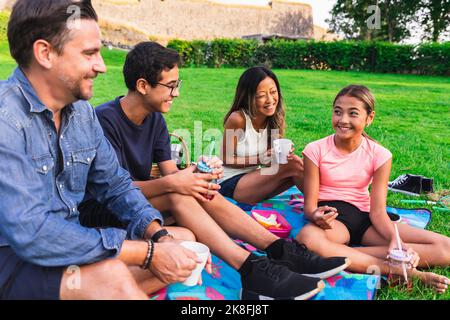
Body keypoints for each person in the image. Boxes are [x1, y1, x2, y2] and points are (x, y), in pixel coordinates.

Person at [78, 41, 351, 300]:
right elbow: (113, 191)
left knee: (197, 191)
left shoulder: (156, 122)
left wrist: (196, 174)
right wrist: (178, 184)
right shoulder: (104, 121)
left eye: (178, 84)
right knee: (179, 195)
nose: (177, 93)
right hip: (102, 211)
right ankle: (252, 269)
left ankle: (279, 250)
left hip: (141, 206)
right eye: (171, 86)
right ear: (143, 85)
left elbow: (171, 175)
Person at [0, 0, 209, 300]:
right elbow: (33, 233)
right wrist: (147, 254)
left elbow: (116, 186)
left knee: (181, 245)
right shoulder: (6, 117)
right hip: (14, 262)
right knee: (111, 276)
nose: (101, 65)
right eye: (89, 54)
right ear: (45, 53)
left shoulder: (82, 114)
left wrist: (159, 238)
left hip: (71, 247)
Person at [296, 85, 450, 293]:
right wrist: (315, 215)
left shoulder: (380, 154)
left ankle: (349, 254)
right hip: (334, 219)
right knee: (307, 239)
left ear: (369, 118)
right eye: (337, 111)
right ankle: (402, 271)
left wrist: (396, 242)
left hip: (366, 217)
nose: (343, 120)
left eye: (353, 114)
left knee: (446, 248)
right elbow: (310, 207)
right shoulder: (315, 150)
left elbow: (378, 211)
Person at [219, 66, 304, 204]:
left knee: (303, 163)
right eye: (261, 95)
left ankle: (326, 204)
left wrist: (279, 155)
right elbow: (226, 158)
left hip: (255, 180)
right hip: (229, 183)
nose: (270, 100)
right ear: (249, 97)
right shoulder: (238, 119)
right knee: (294, 164)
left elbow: (271, 163)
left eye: (273, 92)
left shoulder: (274, 119)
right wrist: (260, 159)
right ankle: (319, 204)